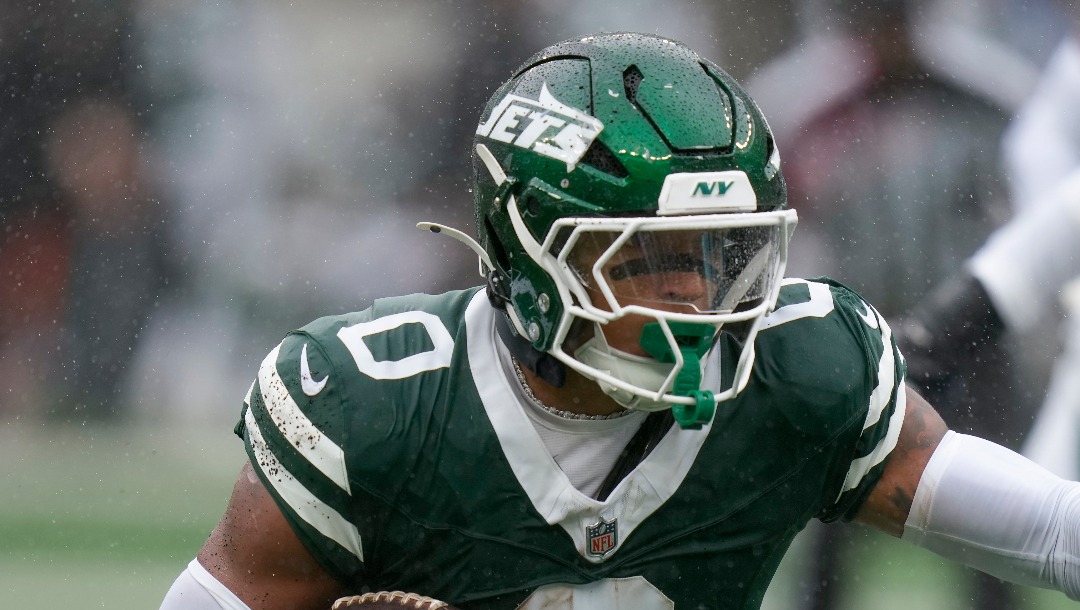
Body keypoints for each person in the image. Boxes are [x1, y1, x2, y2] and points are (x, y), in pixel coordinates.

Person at [159, 33, 1080, 610]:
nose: (694, 297)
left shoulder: (800, 372)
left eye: (718, 255)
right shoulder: (376, 410)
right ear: (527, 254)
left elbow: (1052, 534)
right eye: (646, 259)